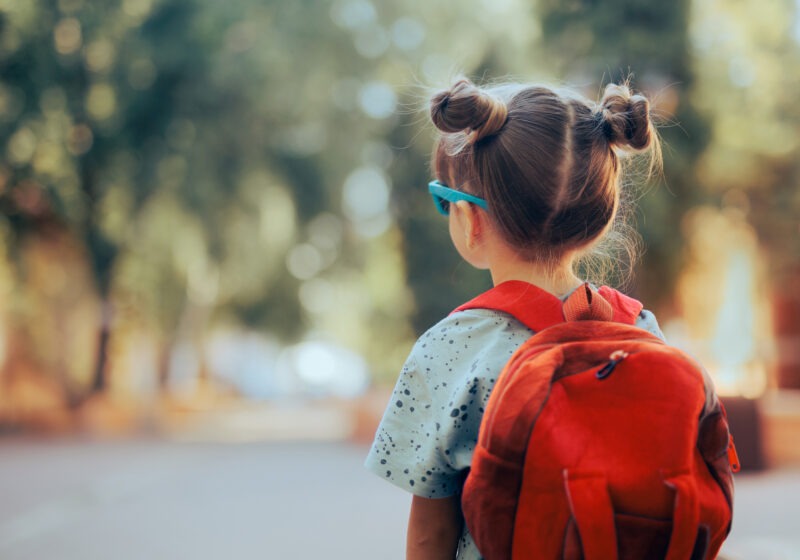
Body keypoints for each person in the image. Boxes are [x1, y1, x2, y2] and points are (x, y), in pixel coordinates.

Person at [364, 76, 665, 559]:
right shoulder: (641, 330)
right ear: (598, 221)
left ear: (472, 219)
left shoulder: (450, 349)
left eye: (447, 201)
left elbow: (429, 535)